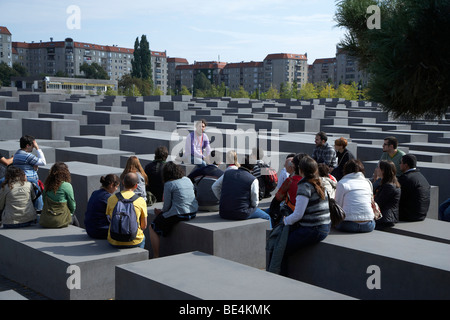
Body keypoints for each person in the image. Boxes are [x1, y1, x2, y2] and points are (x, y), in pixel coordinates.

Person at [281, 156, 331, 274]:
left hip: (313, 229)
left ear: (301, 170)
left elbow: (298, 214)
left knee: (282, 247)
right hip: (325, 226)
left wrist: (285, 221)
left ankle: (281, 277)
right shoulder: (319, 183)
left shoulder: (304, 186)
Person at [149, 162, 198, 258]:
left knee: (153, 227)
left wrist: (161, 212)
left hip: (180, 214)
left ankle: (156, 255)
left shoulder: (169, 184)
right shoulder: (187, 179)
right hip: (193, 212)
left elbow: (166, 207)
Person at [212, 155, 271, 226]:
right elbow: (255, 201)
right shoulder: (253, 179)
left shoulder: (228, 173)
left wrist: (222, 199)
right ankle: (271, 236)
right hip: (241, 213)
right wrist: (251, 208)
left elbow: (214, 187)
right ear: (252, 169)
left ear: (241, 163)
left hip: (223, 212)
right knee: (267, 217)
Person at [106, 172, 147, 248]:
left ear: (123, 182)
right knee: (143, 238)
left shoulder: (111, 199)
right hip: (134, 240)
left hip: (114, 240)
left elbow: (110, 218)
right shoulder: (141, 201)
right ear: (136, 185)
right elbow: (144, 226)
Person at [334, 159, 375, 233]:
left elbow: (338, 205)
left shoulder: (342, 183)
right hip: (368, 225)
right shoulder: (368, 183)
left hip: (348, 224)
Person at [268, 153, 305, 227]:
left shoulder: (290, 181)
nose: (284, 167)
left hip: (292, 212)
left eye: (285, 166)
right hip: (307, 216)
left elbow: (278, 197)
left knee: (268, 214)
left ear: (293, 167)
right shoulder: (310, 180)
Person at [12, 135, 46, 211]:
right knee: (38, 199)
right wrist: (38, 148)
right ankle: (39, 211)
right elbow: (43, 162)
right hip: (30, 182)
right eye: (32, 146)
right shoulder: (27, 156)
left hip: (19, 180)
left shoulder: (16, 154)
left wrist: (34, 169)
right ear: (27, 145)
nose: (33, 147)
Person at [39, 162, 77, 228]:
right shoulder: (66, 185)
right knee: (75, 219)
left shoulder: (47, 185)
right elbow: (72, 204)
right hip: (61, 219)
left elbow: (44, 200)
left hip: (47, 219)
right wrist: (70, 213)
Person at [84, 174, 120, 239]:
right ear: (111, 185)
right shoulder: (108, 198)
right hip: (99, 231)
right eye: (116, 187)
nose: (116, 189)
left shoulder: (95, 192)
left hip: (89, 229)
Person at [398, 154, 430, 221]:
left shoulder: (405, 178)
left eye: (400, 162)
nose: (399, 165)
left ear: (406, 165)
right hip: (422, 214)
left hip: (409, 215)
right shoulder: (422, 177)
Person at [372, 160, 401, 230]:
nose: (376, 169)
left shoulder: (389, 187)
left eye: (378, 168)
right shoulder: (387, 183)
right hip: (384, 217)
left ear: (383, 171)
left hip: (385, 219)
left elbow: (378, 203)